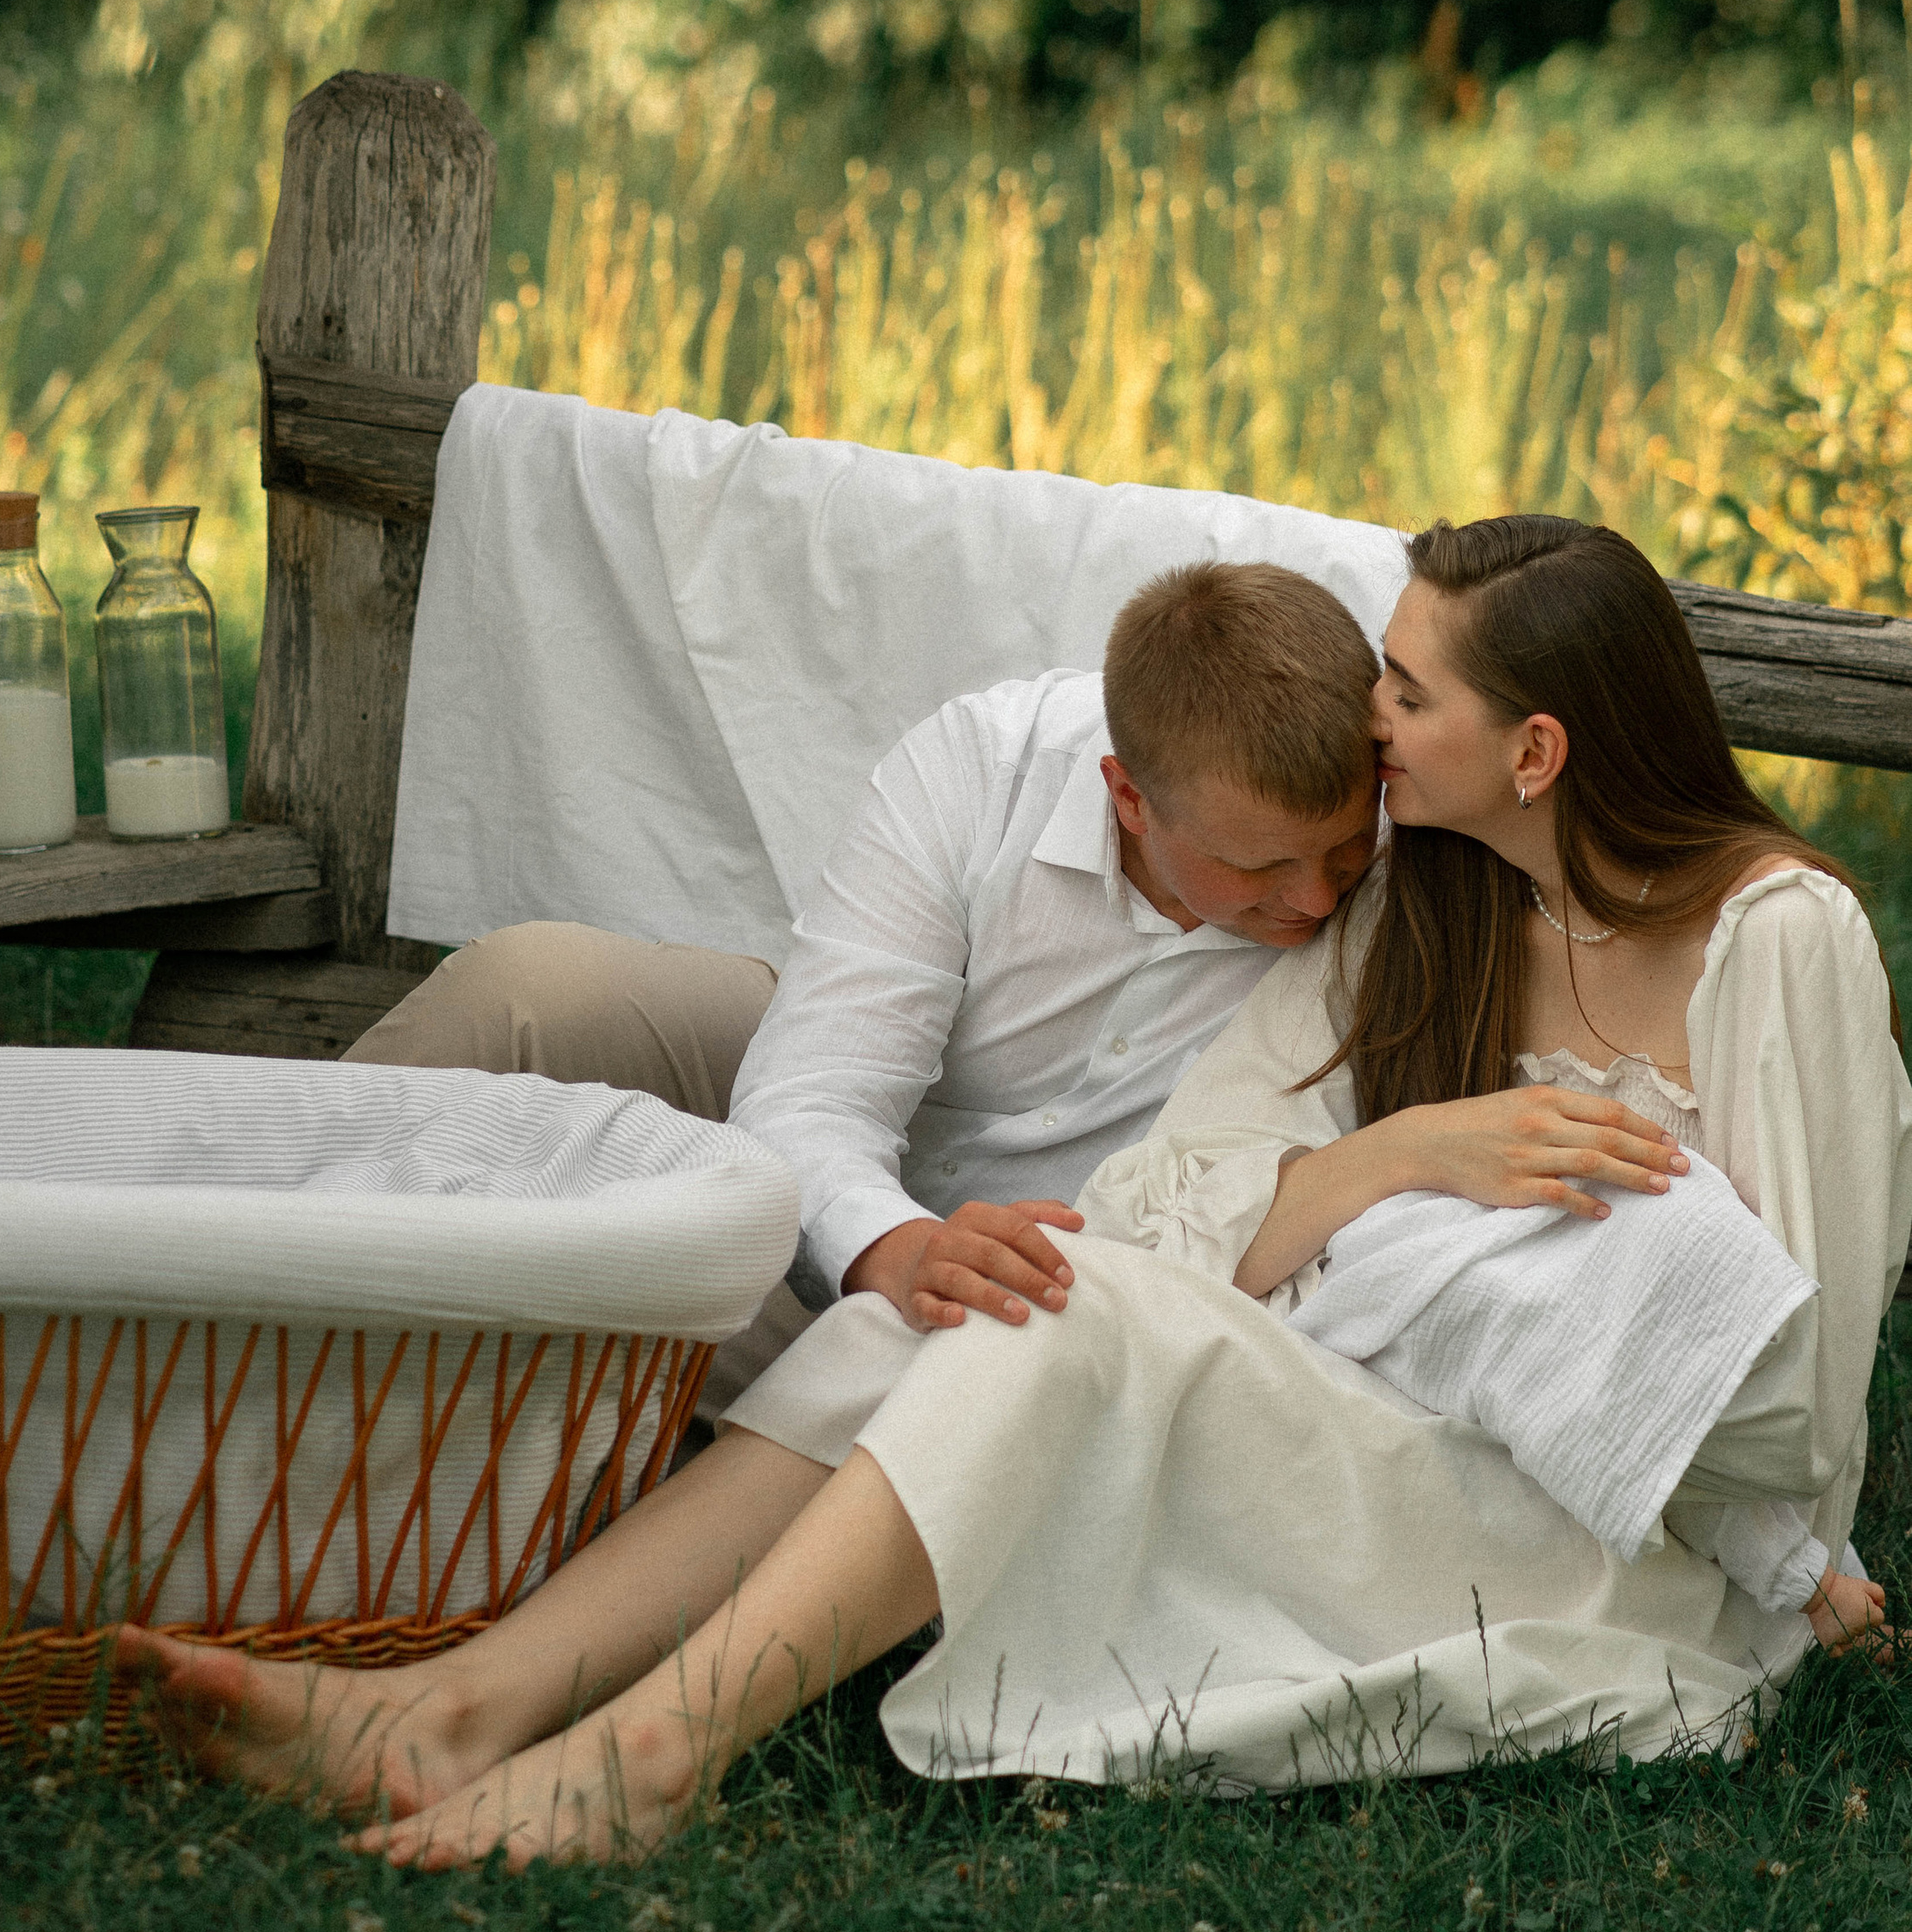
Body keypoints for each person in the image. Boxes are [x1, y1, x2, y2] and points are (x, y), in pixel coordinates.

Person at [125, 514, 1912, 1861]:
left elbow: (1789, 1375)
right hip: (1361, 1403)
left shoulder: (1777, 943)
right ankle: (462, 1702)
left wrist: (1793, 1552)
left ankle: (645, 1755)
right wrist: (1393, 1157)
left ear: (1530, 751)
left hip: (1588, 1534)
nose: (1372, 728)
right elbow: (1178, 1185)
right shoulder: (1420, 906)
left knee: (1053, 1299)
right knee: (1018, 1284)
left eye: (1404, 691)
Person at [344, 560, 1382, 1387]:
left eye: (1341, 855)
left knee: (632, 1322)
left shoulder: (1406, 863)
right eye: (1257, 868)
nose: (1315, 901)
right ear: (1128, 797)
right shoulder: (987, 762)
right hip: (852, 1157)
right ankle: (228, 1250)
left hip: (1046, 1283)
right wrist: (888, 1243)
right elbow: (814, 1090)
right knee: (529, 992)